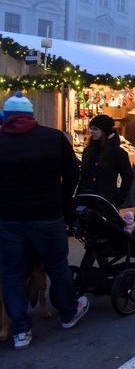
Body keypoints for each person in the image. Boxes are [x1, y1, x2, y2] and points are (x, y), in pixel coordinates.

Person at [0, 92, 89, 350]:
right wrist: (62, 200)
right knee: (57, 265)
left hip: (9, 218)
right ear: (32, 115)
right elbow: (73, 173)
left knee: (13, 273)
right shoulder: (53, 138)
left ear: (6, 116)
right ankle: (68, 312)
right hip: (47, 215)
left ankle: (20, 331)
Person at [77, 114, 134, 209]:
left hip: (107, 200)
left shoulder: (117, 152)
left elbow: (127, 178)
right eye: (91, 128)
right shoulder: (88, 150)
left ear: (104, 131)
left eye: (96, 129)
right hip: (87, 199)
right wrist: (79, 196)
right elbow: (83, 176)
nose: (92, 132)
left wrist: (118, 200)